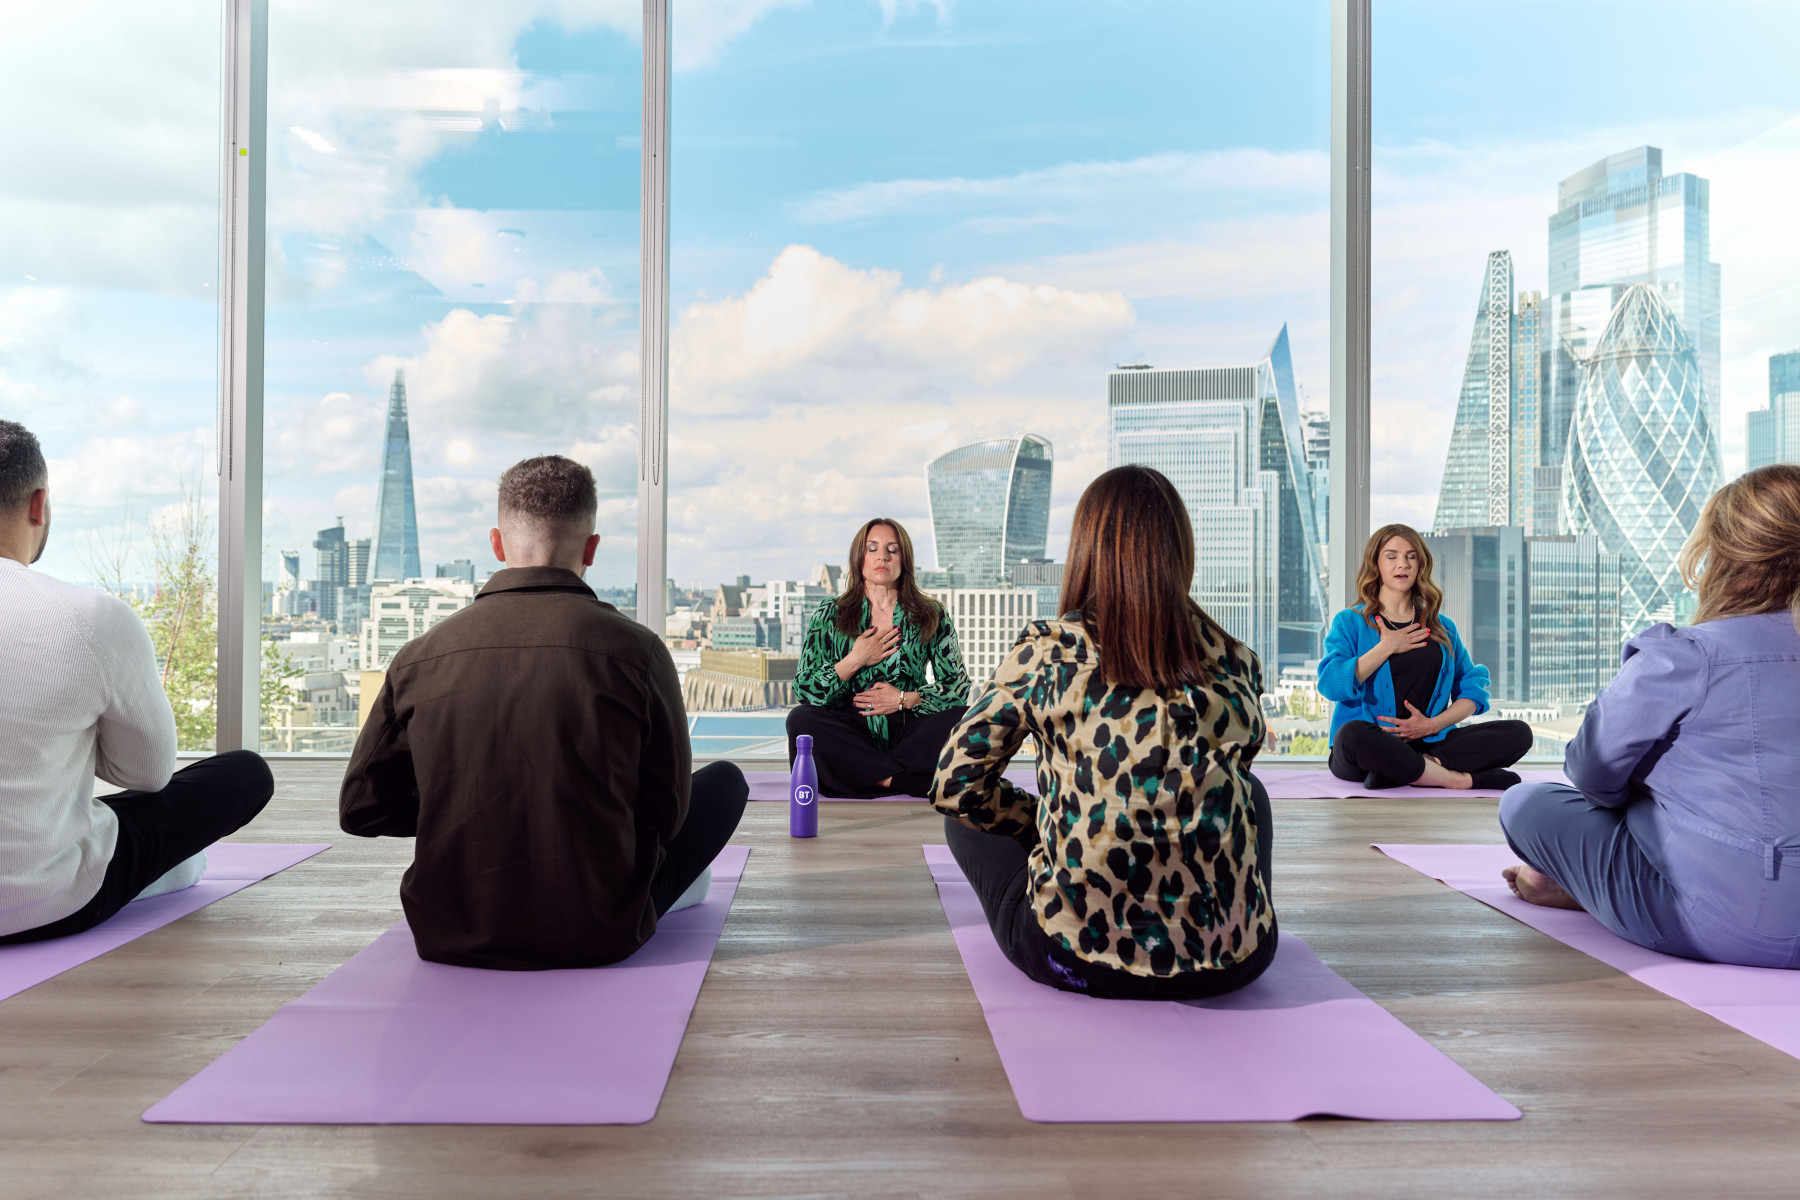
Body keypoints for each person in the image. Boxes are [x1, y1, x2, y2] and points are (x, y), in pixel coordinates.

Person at [340, 455, 747, 971]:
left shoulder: (420, 655)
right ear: (592, 549)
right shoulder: (637, 651)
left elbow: (360, 809)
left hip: (451, 929)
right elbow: (666, 814)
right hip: (598, 928)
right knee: (725, 782)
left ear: (497, 543)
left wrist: (461, 809)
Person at [931, 465, 1275, 1000]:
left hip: (1081, 956)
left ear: (1087, 548)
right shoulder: (1235, 658)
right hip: (1237, 962)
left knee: (966, 824)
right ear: (1180, 551)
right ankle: (1222, 923)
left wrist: (1035, 824)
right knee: (1250, 794)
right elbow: (1224, 779)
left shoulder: (1048, 651)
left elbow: (954, 785)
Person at [1499, 465, 1800, 967]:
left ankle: (1590, 891)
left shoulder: (1688, 655)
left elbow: (1593, 776)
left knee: (1524, 803)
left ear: (1722, 555)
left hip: (1720, 922)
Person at [0, 419, 272, 945]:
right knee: (245, 773)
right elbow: (149, 775)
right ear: (39, 504)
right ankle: (155, 871)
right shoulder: (91, 617)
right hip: (42, 903)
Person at [1317, 524, 1531, 791]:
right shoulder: (1350, 621)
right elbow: (1330, 684)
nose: (1402, 564)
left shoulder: (1442, 627)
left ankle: (1404, 770)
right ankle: (1457, 779)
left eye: (1411, 556)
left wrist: (1430, 726)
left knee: (1519, 733)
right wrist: (1387, 646)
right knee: (1351, 734)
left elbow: (1472, 690)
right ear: (1376, 564)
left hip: (1429, 743)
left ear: (1420, 565)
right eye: (1391, 556)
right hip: (1368, 746)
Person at [787, 517, 971, 798]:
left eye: (892, 550)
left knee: (965, 718)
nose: (882, 556)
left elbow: (957, 686)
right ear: (859, 557)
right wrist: (855, 660)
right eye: (872, 548)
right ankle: (900, 781)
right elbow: (805, 689)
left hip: (909, 725)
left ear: (904, 560)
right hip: (850, 728)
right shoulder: (829, 613)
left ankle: (865, 776)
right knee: (801, 720)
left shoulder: (931, 613)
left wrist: (905, 699)